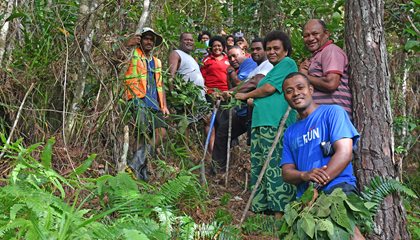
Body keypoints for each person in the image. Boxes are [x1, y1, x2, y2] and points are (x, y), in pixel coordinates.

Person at [280, 72, 365, 240]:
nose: (295, 93)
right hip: (306, 199)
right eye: (289, 91)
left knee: (348, 234)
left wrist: (315, 187)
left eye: (300, 87)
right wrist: (304, 175)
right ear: (286, 97)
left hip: (337, 188)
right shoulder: (290, 132)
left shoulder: (332, 113)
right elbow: (286, 172)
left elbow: (345, 153)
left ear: (311, 89)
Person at [235, 31, 297, 216]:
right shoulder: (273, 69)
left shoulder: (288, 63)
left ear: (286, 50)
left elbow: (268, 89)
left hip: (274, 122)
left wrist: (246, 95)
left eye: (276, 48)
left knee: (274, 164)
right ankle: (262, 206)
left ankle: (280, 209)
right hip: (261, 122)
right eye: (268, 48)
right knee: (260, 163)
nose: (271, 52)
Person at [212, 38, 273, 172]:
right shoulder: (256, 68)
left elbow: (253, 83)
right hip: (242, 113)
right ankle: (218, 171)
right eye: (253, 49)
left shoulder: (268, 65)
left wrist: (229, 93)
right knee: (222, 133)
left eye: (259, 49)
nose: (255, 52)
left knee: (257, 145)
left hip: (255, 113)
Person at [124, 27, 169, 180]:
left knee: (161, 133)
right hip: (137, 98)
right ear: (140, 40)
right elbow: (117, 60)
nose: (149, 42)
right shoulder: (134, 53)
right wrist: (127, 45)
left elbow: (160, 85)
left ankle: (135, 165)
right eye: (146, 38)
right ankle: (140, 174)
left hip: (155, 103)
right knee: (142, 135)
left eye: (151, 39)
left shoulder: (157, 62)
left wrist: (164, 105)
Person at [299, 19, 352, 117]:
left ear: (326, 34)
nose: (310, 38)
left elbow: (331, 83)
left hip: (333, 118)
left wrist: (304, 76)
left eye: (315, 34)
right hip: (322, 118)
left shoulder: (331, 51)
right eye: (306, 36)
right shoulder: (316, 55)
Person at [200, 36, 231, 156]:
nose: (217, 48)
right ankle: (211, 151)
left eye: (219, 46)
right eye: (214, 46)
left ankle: (224, 152)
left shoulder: (229, 60)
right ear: (211, 47)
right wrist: (209, 92)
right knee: (209, 122)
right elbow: (201, 77)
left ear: (223, 47)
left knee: (224, 123)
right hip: (210, 95)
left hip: (225, 95)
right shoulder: (206, 60)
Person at [168, 32, 205, 98]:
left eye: (191, 40)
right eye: (186, 40)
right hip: (185, 97)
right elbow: (171, 76)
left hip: (198, 99)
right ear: (180, 41)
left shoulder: (192, 58)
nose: (189, 42)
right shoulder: (176, 53)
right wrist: (173, 96)